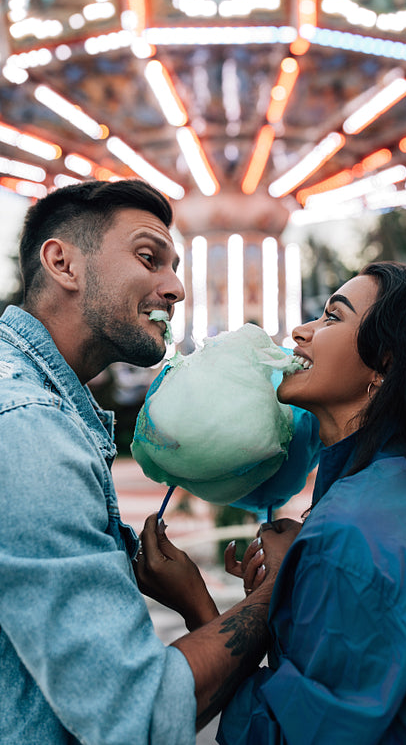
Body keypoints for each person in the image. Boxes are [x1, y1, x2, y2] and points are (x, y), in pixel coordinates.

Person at [0, 179, 288, 744]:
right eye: (148, 257)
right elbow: (138, 714)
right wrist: (273, 593)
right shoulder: (30, 428)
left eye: (174, 266)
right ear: (62, 262)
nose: (176, 287)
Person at [218, 261, 406, 744]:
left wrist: (217, 607)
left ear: (385, 362)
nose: (300, 331)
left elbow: (298, 733)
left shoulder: (350, 532)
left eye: (331, 317)